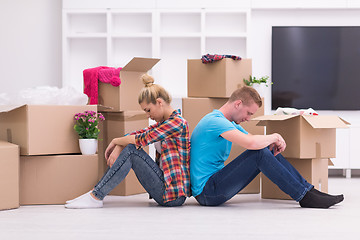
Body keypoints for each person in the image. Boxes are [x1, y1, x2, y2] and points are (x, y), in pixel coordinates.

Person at [190, 86, 344, 208]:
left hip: (215, 185)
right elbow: (251, 144)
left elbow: (252, 138)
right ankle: (305, 196)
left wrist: (271, 142)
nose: (249, 119)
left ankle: (309, 191)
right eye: (249, 113)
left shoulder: (227, 122)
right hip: (207, 192)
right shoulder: (215, 122)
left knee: (266, 149)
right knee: (259, 153)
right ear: (238, 104)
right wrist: (275, 136)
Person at [65, 74, 190, 208]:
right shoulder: (164, 123)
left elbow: (143, 139)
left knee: (131, 150)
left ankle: (96, 196)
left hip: (173, 195)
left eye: (148, 110)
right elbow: (138, 134)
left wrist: (116, 141)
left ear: (159, 102)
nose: (148, 115)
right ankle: (95, 194)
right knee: (130, 146)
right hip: (165, 189)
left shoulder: (177, 122)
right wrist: (119, 145)